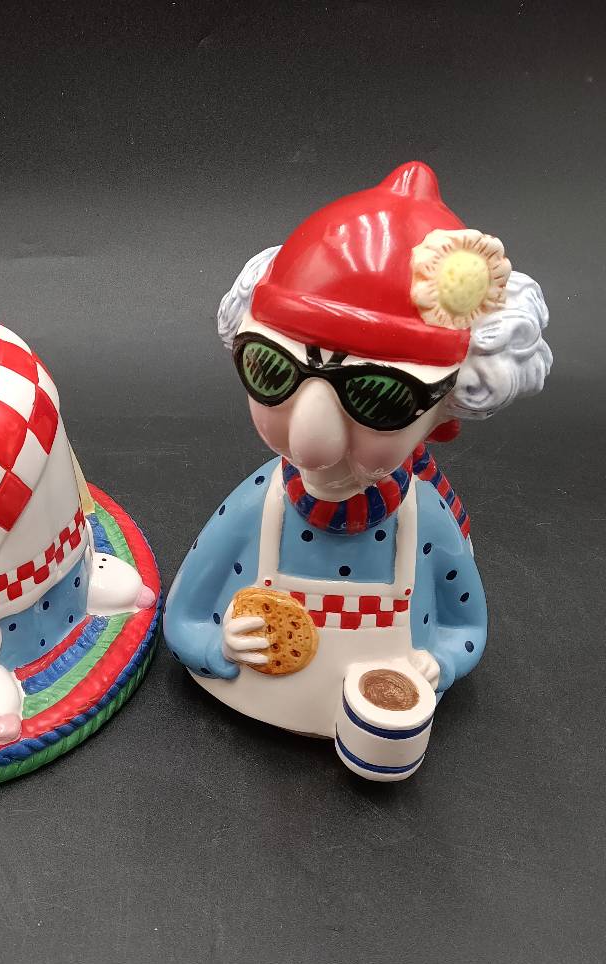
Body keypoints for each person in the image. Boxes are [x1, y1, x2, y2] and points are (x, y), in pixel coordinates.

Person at [163, 162, 552, 777]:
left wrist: (439, 662)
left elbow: (466, 624)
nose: (311, 443)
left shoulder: (425, 522)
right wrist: (217, 645)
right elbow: (184, 611)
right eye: (272, 371)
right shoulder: (258, 503)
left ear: (443, 415)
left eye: (378, 399)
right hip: (248, 700)